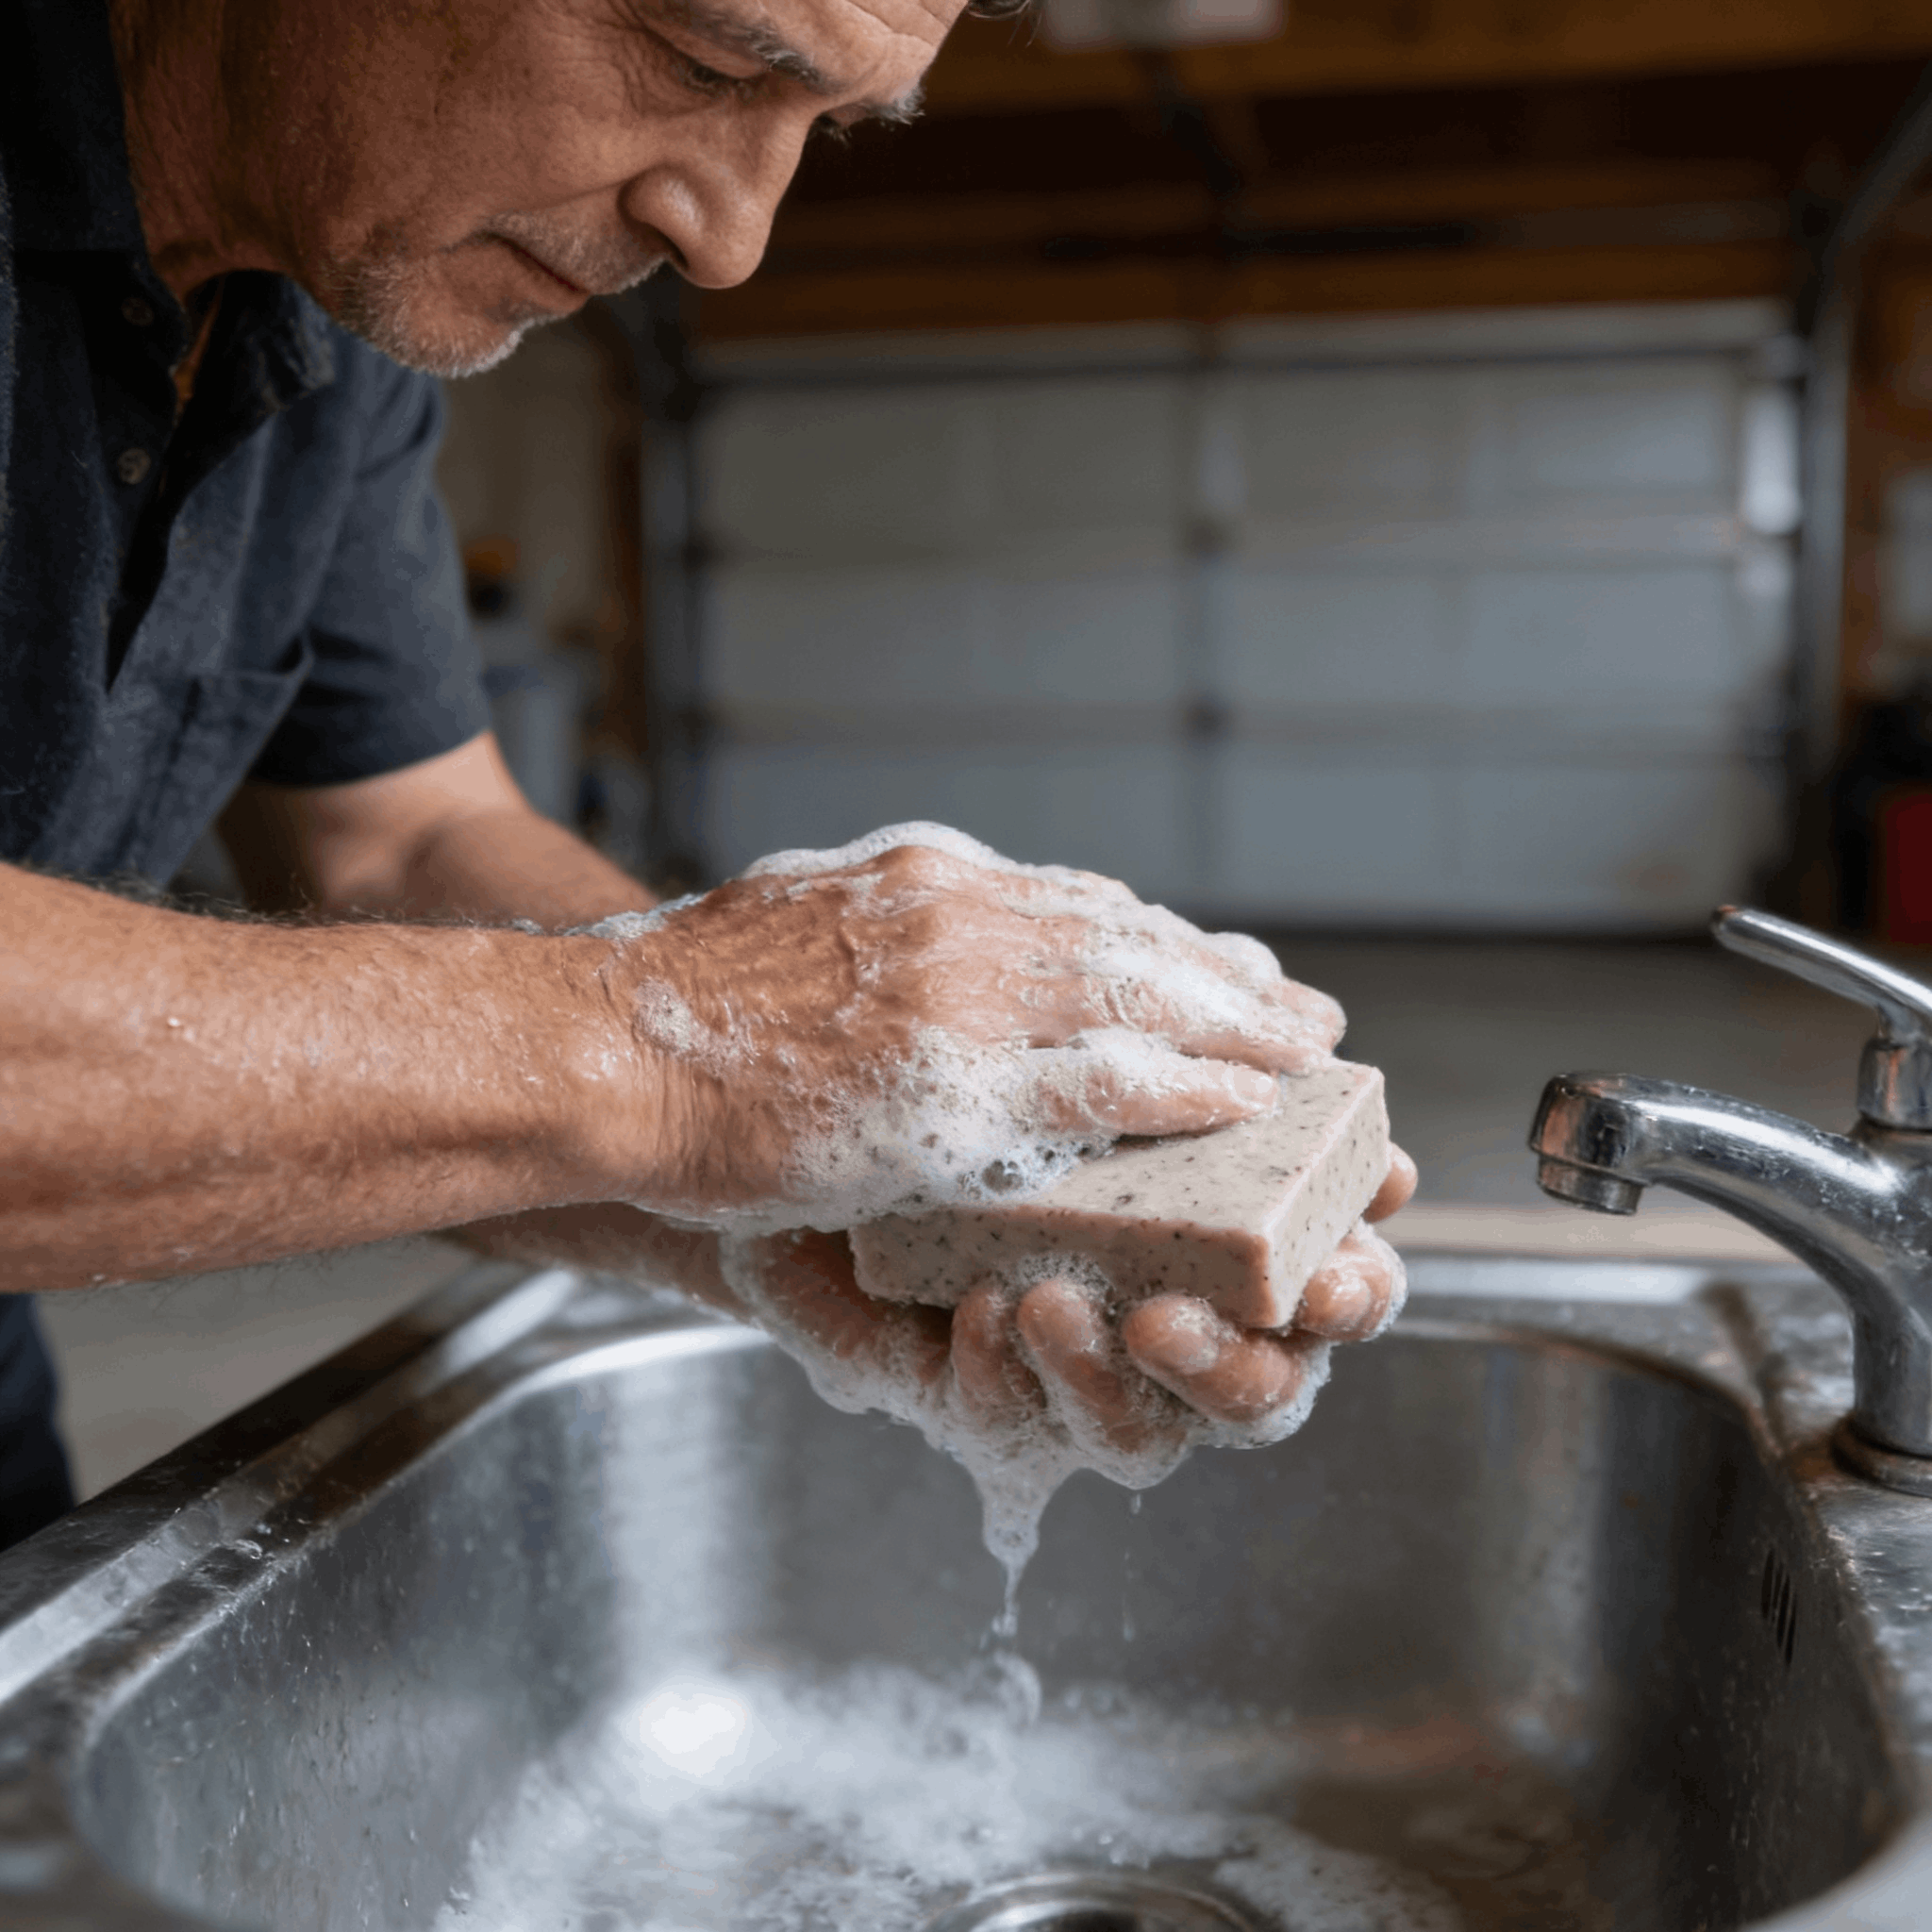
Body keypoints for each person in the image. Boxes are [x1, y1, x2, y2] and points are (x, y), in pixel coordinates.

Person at [0, 0, 1415, 1550]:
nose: (733, 237)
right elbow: (605, 1029)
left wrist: (817, 1193)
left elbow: (400, 842)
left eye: (828, 125)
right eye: (705, 62)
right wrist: (672, 1053)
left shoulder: (316, 327)